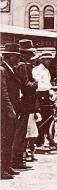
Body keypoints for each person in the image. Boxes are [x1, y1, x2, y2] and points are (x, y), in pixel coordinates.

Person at [12, 40, 40, 169]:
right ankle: (18, 161)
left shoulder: (18, 65)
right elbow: (27, 86)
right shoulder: (22, 66)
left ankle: (18, 159)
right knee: (20, 134)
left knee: (18, 134)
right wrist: (35, 83)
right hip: (24, 104)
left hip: (19, 103)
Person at [1, 44, 22, 179]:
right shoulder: (2, 70)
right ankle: (2, 169)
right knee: (4, 140)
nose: (18, 59)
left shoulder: (9, 69)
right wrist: (10, 109)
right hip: (5, 112)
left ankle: (7, 166)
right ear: (9, 56)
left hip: (10, 110)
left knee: (9, 139)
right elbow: (3, 93)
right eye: (16, 56)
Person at [32, 51, 57, 148]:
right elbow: (38, 86)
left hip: (47, 96)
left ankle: (51, 140)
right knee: (41, 119)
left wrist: (51, 93)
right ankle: (39, 141)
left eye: (50, 60)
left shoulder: (47, 71)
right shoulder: (36, 70)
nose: (49, 61)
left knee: (50, 118)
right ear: (42, 60)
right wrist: (51, 88)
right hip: (39, 96)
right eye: (48, 60)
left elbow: (47, 84)